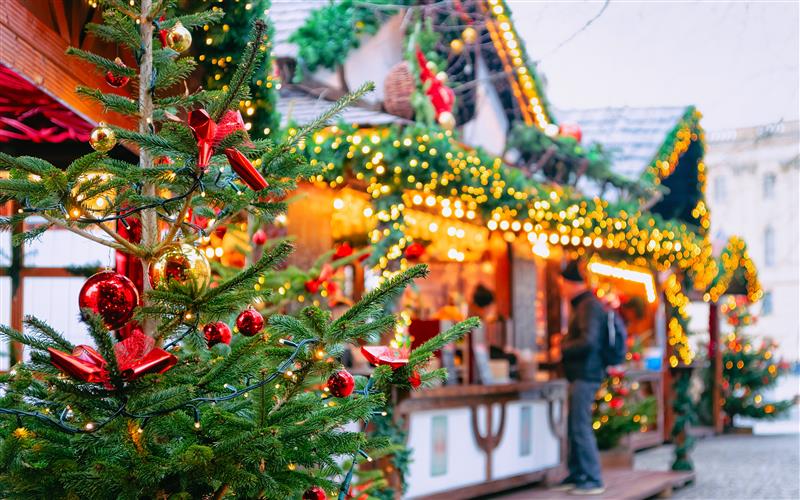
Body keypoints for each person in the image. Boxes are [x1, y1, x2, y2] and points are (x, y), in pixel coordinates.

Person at [553, 259, 606, 495]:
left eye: (563, 284)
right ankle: (578, 473)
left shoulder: (588, 306)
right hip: (582, 374)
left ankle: (592, 478)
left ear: (571, 283)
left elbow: (589, 341)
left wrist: (562, 348)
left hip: (586, 374)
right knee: (575, 425)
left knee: (580, 425)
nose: (561, 289)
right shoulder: (584, 305)